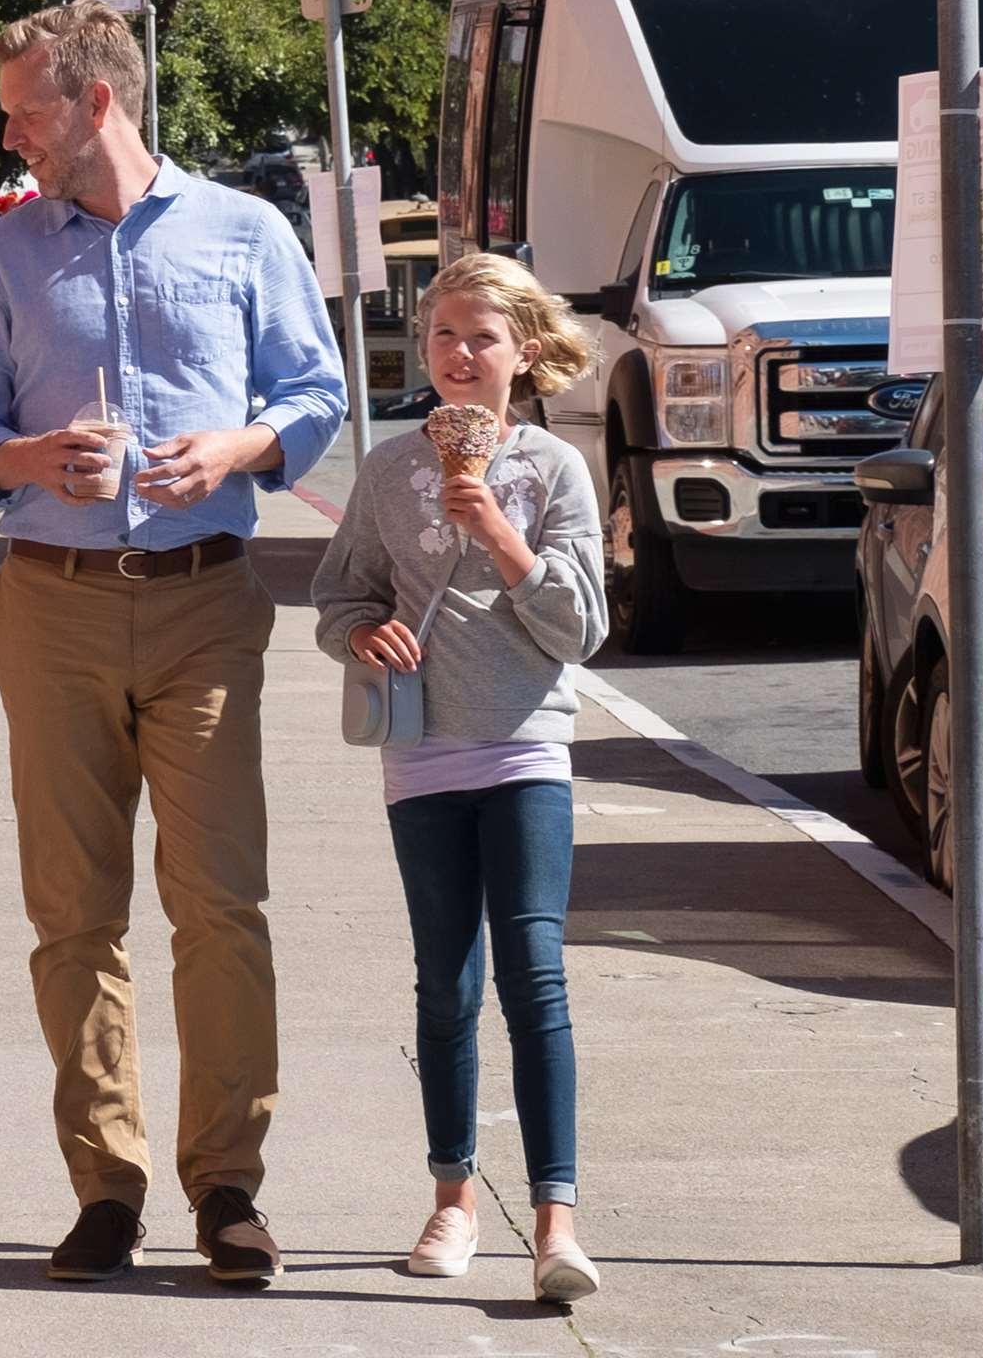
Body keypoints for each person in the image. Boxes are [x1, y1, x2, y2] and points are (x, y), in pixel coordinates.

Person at [0, 1, 349, 1289]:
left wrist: (238, 448)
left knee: (220, 902)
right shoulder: (3, 256)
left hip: (206, 604)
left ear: (98, 102)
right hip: (51, 600)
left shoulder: (245, 232)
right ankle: (104, 1186)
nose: (7, 132)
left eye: (24, 109)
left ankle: (227, 1183)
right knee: (74, 912)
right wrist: (20, 458)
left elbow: (317, 390)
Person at [310, 253, 608, 1306]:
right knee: (447, 981)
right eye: (443, 337)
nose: (461, 356)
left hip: (528, 746)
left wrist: (498, 531)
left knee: (536, 976)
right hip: (424, 752)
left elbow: (583, 630)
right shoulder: (390, 471)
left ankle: (557, 1220)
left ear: (524, 353)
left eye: (483, 337)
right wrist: (365, 635)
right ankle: (451, 1200)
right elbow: (336, 595)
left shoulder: (553, 471)